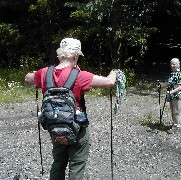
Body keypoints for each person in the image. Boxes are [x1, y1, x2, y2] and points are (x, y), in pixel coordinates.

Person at [25, 37, 117, 180]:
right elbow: (109, 82)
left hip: (54, 127)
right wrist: (115, 72)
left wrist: (37, 73)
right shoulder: (80, 76)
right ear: (75, 56)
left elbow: (27, 78)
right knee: (77, 165)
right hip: (77, 128)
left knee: (58, 162)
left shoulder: (44, 73)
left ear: (60, 54)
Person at [157, 58, 181, 134]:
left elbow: (180, 86)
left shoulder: (180, 74)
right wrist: (161, 85)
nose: (172, 65)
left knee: (176, 111)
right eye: (171, 64)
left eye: (174, 64)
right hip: (171, 95)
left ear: (178, 65)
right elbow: (168, 83)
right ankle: (174, 124)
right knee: (172, 110)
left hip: (177, 95)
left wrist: (171, 92)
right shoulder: (171, 74)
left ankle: (176, 126)